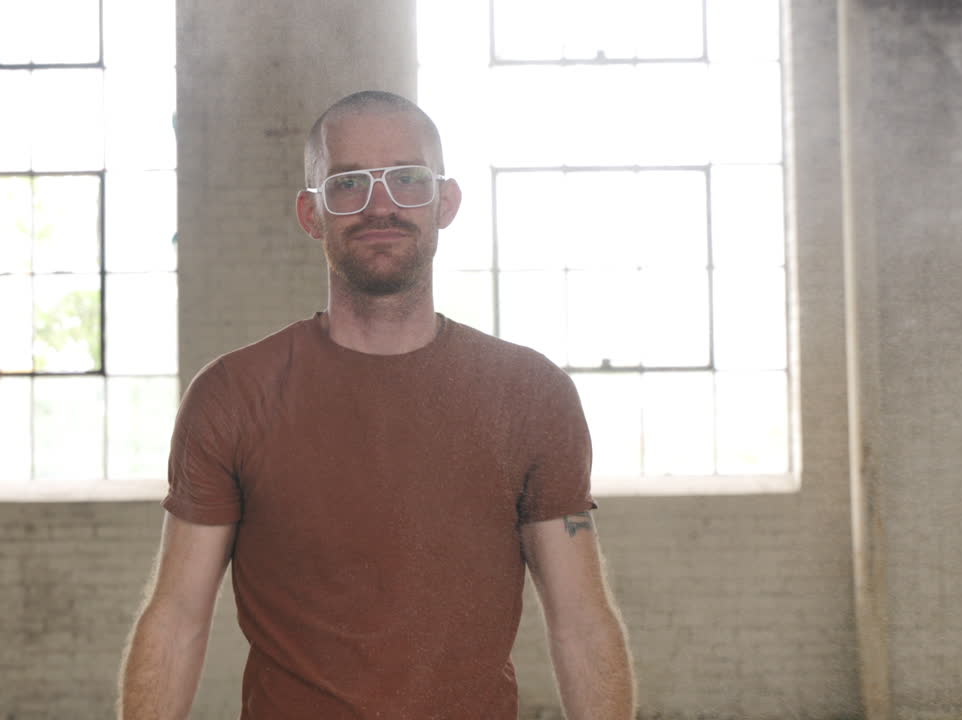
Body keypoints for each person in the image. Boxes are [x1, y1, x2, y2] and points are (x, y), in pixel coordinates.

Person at [118, 90, 634, 720]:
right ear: (312, 214)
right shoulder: (234, 394)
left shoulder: (530, 393)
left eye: (409, 179)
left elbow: (581, 620)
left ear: (446, 203)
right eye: (348, 184)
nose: (380, 205)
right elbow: (175, 618)